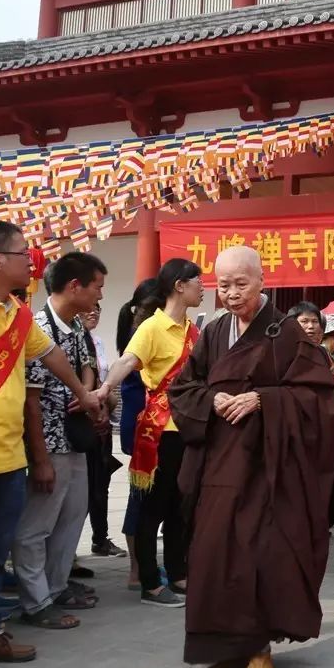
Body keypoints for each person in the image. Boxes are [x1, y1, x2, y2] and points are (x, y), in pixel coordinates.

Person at [168, 246, 334, 668]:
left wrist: (265, 399)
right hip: (219, 463)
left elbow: (318, 398)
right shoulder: (214, 330)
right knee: (212, 553)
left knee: (258, 554)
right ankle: (223, 645)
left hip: (268, 466)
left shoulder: (287, 333)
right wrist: (212, 399)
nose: (231, 294)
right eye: (222, 285)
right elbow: (185, 386)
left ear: (262, 281)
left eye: (240, 284)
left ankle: (259, 649)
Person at [0, 223, 103, 662]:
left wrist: (84, 394)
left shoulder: (17, 315)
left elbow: (52, 357)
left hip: (6, 457)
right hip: (32, 449)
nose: (32, 262)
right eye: (23, 254)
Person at [100, 259, 204, 608]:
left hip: (188, 429)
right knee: (153, 508)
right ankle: (149, 583)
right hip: (161, 432)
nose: (203, 287)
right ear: (179, 286)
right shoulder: (152, 328)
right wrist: (103, 391)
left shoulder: (193, 331)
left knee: (180, 507)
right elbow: (127, 362)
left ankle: (177, 573)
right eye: (197, 281)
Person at [14, 252, 109, 631]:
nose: (99, 295)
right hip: (49, 443)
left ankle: (54, 588)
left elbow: (86, 368)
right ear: (75, 286)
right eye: (97, 287)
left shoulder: (75, 326)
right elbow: (30, 403)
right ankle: (35, 601)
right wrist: (40, 458)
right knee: (35, 526)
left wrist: (88, 395)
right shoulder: (38, 328)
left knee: (70, 518)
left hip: (74, 441)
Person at [114, 278, 158, 589]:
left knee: (147, 498)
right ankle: (136, 570)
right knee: (140, 497)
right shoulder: (144, 336)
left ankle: (142, 566)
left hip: (151, 424)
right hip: (145, 426)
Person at [81, 303, 125, 559]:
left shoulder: (96, 342)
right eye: (88, 308)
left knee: (101, 484)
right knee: (85, 488)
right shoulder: (71, 339)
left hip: (102, 422)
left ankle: (101, 537)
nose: (93, 311)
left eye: (98, 308)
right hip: (83, 422)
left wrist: (107, 405)